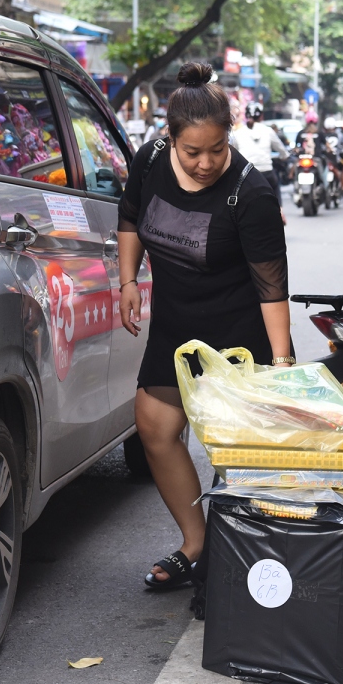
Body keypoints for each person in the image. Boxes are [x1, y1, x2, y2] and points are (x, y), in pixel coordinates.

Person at [117, 62, 292, 591]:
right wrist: (128, 280)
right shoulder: (149, 160)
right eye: (192, 152)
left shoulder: (251, 192)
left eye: (217, 149)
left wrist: (281, 363)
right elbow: (130, 215)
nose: (205, 163)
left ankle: (242, 555)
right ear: (170, 139)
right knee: (155, 427)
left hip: (238, 331)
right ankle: (195, 544)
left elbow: (271, 286)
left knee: (236, 450)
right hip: (176, 325)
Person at [232, 102, 288, 197]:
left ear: (246, 115)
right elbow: (282, 150)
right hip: (267, 173)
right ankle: (279, 209)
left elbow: (232, 153)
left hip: (246, 176)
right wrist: (284, 156)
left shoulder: (238, 133)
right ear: (261, 116)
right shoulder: (268, 131)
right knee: (275, 188)